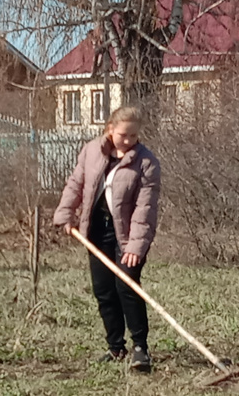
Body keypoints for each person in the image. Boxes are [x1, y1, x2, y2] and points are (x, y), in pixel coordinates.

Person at [53, 107, 161, 373]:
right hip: (97, 231)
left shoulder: (146, 162)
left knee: (127, 286)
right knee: (104, 290)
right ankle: (115, 346)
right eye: (124, 134)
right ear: (110, 129)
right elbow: (76, 184)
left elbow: (145, 208)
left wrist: (136, 245)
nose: (129, 140)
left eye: (134, 135)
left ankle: (140, 349)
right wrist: (66, 215)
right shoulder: (91, 151)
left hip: (127, 234)